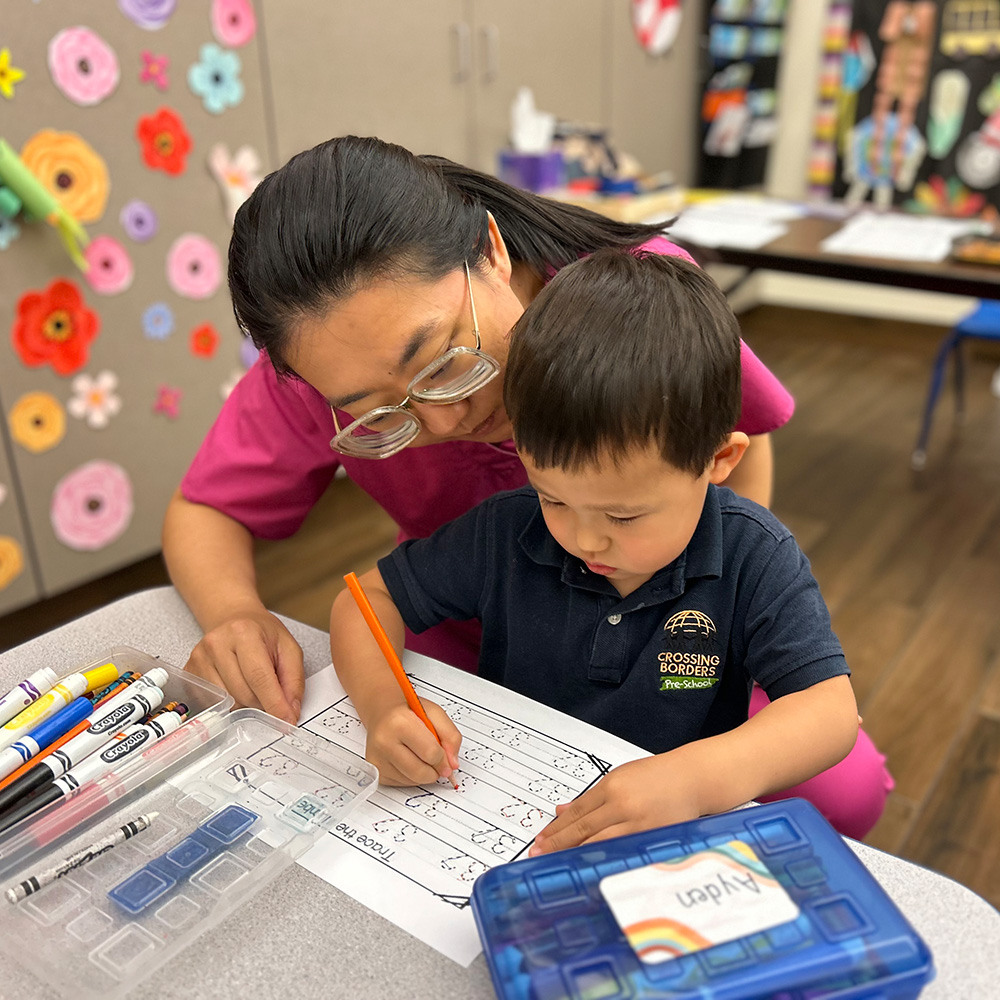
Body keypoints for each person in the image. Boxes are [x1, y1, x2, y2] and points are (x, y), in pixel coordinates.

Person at [163, 135, 793, 722]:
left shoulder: (635, 300)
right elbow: (205, 508)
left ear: (489, 250)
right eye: (381, 411)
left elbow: (737, 432)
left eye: (441, 359)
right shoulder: (324, 370)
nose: (443, 418)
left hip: (664, 617)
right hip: (468, 622)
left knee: (840, 790)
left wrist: (711, 595)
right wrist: (235, 613)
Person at [330, 250, 878, 848]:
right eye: (553, 498)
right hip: (513, 807)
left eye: (623, 513)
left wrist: (695, 781)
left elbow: (828, 711)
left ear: (718, 461)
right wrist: (384, 709)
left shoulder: (754, 554)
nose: (585, 538)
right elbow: (365, 601)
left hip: (672, 831)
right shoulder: (505, 532)